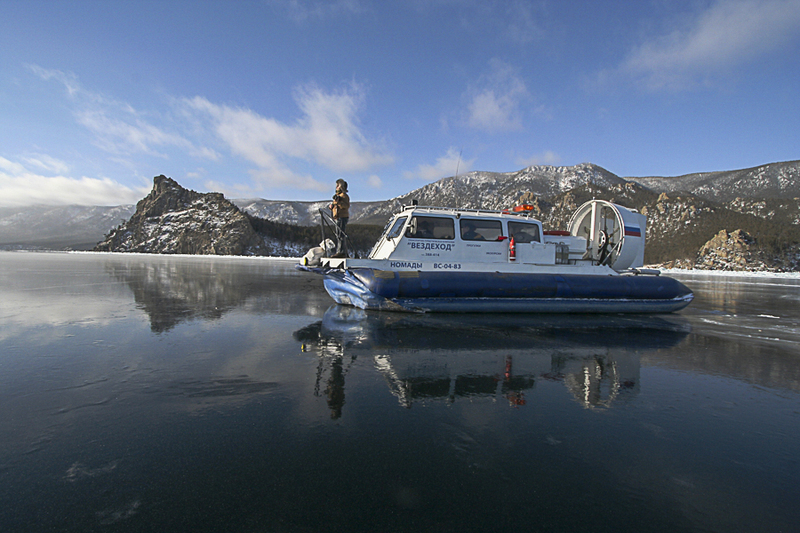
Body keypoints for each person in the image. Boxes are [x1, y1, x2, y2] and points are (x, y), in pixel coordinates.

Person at [329, 179, 350, 258]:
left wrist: (339, 202)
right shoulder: (338, 197)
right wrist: (332, 207)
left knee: (340, 235)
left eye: (338, 186)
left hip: (342, 217)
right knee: (338, 235)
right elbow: (336, 207)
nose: (336, 187)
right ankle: (343, 252)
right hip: (337, 217)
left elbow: (346, 206)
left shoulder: (344, 196)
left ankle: (341, 252)